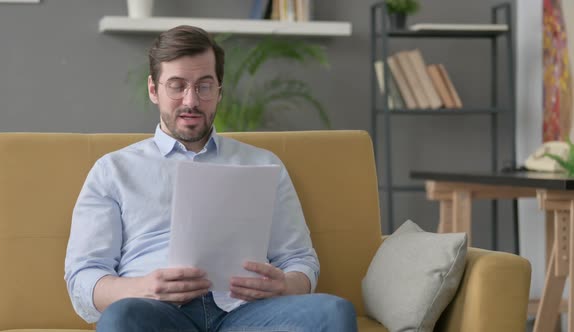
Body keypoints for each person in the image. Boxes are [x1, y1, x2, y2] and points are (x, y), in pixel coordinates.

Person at [64, 25, 357, 332]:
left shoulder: (262, 164)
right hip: (157, 313)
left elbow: (300, 259)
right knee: (121, 318)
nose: (191, 101)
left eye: (204, 86)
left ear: (219, 91)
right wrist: (142, 287)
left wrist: (285, 285)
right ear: (154, 89)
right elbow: (83, 277)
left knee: (333, 312)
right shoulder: (112, 170)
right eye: (177, 86)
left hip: (248, 314)